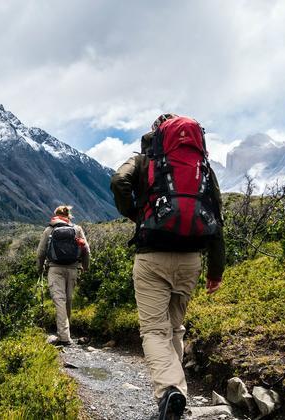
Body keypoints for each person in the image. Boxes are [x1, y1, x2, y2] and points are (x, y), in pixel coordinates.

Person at [110, 114, 225, 420]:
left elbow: (118, 181)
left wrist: (136, 214)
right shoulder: (202, 166)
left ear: (157, 134)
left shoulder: (144, 161)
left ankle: (170, 390)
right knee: (175, 327)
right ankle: (178, 396)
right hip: (191, 259)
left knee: (153, 330)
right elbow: (216, 215)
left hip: (153, 257)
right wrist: (216, 270)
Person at [36, 205, 91, 346]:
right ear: (69, 216)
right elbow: (86, 250)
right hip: (73, 269)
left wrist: (40, 269)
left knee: (59, 300)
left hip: (55, 269)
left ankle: (64, 337)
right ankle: (66, 332)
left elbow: (41, 253)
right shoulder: (77, 229)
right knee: (68, 300)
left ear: (56, 215)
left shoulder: (49, 230)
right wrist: (85, 267)